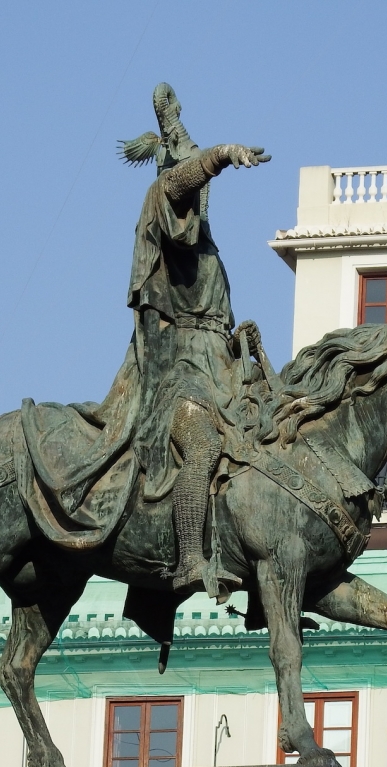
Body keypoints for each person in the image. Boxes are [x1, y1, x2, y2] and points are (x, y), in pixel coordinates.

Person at [118, 83, 269, 595]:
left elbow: (217, 324)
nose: (195, 202)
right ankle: (187, 559)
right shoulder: (160, 202)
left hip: (219, 371)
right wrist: (222, 154)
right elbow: (181, 180)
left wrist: (240, 338)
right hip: (177, 376)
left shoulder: (210, 254)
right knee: (201, 447)